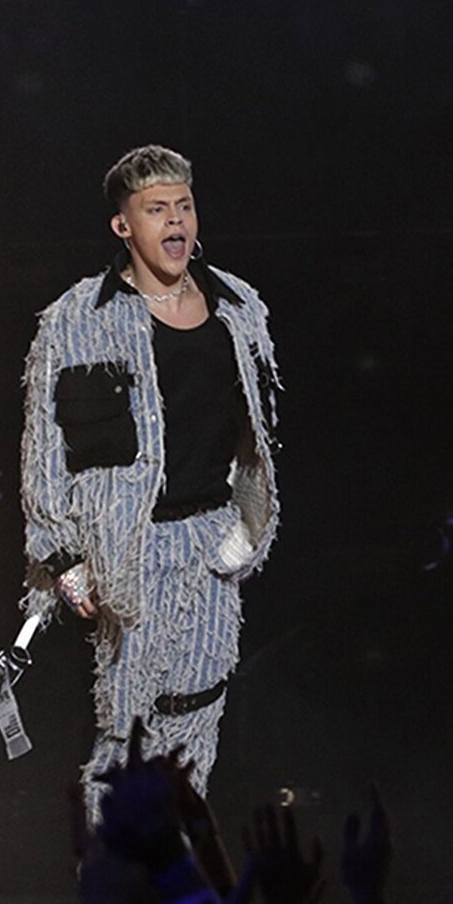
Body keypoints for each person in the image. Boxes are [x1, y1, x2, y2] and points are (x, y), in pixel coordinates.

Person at [20, 145, 281, 811]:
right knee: (128, 723)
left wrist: (250, 526)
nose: (174, 222)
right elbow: (47, 451)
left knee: (199, 704)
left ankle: (178, 869)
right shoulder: (80, 319)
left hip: (214, 540)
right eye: (155, 209)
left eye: (183, 207)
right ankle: (111, 872)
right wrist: (62, 556)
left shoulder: (237, 305)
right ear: (123, 226)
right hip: (130, 551)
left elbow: (260, 430)